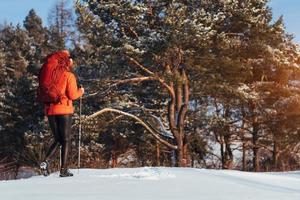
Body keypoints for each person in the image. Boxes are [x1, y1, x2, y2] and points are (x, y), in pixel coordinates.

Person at [40, 50, 84, 177]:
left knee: (58, 139)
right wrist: (81, 91)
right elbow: (73, 95)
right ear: (67, 61)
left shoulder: (49, 74)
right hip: (64, 110)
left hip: (50, 110)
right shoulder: (68, 75)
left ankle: (46, 161)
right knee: (66, 140)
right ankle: (63, 170)